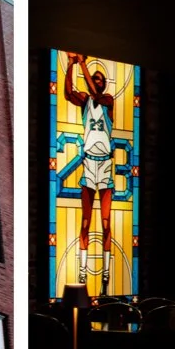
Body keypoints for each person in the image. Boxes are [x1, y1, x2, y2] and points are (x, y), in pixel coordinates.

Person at [61, 52, 129, 293]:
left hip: (105, 166)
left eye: (100, 79)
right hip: (89, 163)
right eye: (95, 78)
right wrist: (70, 64)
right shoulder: (86, 102)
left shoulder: (108, 100)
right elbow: (68, 93)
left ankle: (107, 278)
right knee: (86, 221)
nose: (97, 81)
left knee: (107, 222)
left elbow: (98, 96)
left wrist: (82, 64)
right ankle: (81, 272)